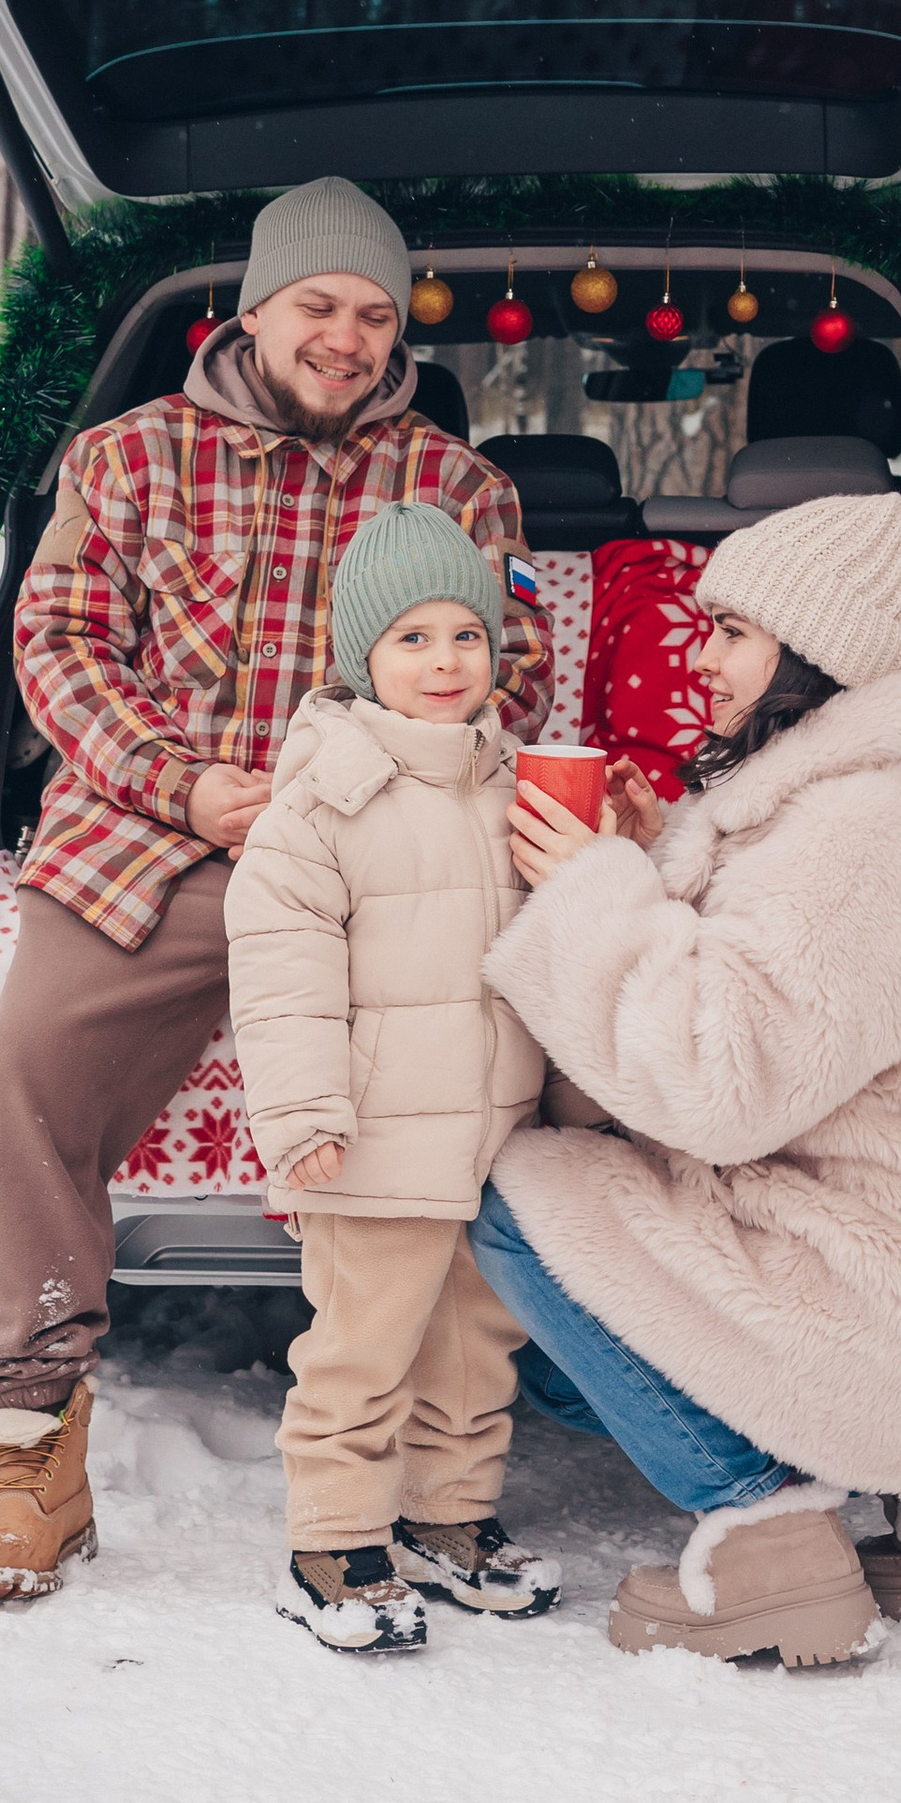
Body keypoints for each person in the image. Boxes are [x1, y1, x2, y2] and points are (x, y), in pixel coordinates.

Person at [0, 180, 552, 1604]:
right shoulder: (127, 457)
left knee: (508, 1068)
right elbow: (59, 638)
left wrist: (385, 773)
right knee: (31, 1066)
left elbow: (514, 666)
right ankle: (31, 1450)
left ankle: (453, 1449)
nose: (345, 336)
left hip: (387, 840)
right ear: (253, 310)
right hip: (157, 828)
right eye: (317, 305)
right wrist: (184, 780)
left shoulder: (455, 485)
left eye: (373, 313)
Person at [476, 489, 901, 1669]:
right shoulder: (814, 790)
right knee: (567, 1370)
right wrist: (658, 857)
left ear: (817, 652)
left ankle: (770, 1530)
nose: (696, 659)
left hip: (888, 1275)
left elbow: (718, 1082)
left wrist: (596, 891)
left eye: (731, 633)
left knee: (517, 1202)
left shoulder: (858, 829)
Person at [225, 501, 560, 1652]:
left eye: (464, 635)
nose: (442, 661)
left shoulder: (514, 779)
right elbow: (283, 974)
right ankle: (332, 1539)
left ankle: (448, 1519)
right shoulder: (323, 801)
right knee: (361, 1348)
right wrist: (307, 1112)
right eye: (410, 639)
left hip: (490, 1133)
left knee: (475, 1343)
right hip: (369, 1135)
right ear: (360, 655)